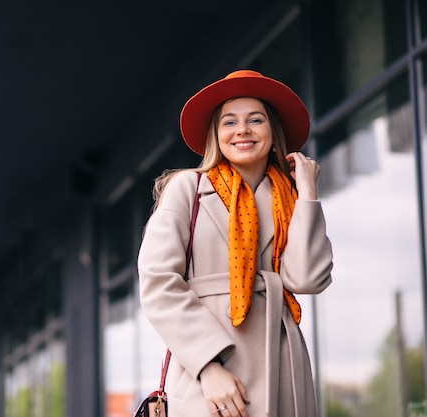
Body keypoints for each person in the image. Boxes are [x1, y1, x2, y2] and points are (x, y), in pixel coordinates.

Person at [137, 69, 333, 417]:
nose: (242, 129)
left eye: (255, 120)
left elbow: (307, 279)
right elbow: (158, 282)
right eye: (229, 122)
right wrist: (209, 367)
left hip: (282, 367)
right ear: (217, 135)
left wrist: (307, 194)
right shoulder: (189, 190)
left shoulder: (289, 200)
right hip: (208, 375)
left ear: (273, 133)